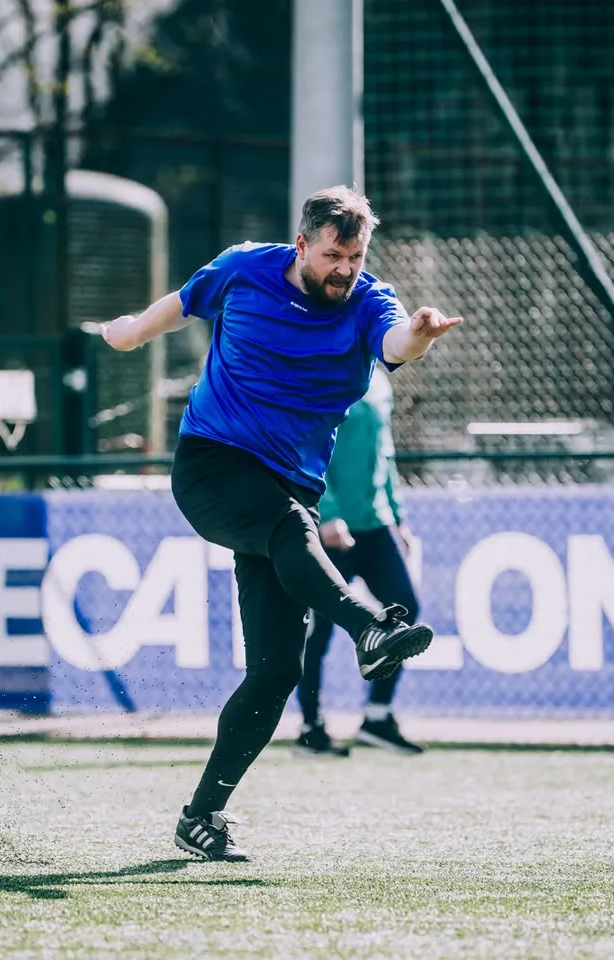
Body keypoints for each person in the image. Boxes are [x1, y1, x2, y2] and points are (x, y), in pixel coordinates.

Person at [102, 185, 461, 860]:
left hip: (288, 489)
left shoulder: (369, 302)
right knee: (292, 528)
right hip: (213, 466)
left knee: (277, 671)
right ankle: (369, 627)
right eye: (332, 255)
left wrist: (419, 332)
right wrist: (129, 331)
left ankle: (200, 816)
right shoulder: (246, 268)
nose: (345, 269)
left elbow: (396, 342)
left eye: (355, 257)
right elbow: (183, 303)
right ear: (301, 245)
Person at [295, 367, 424, 757]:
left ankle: (377, 718)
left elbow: (384, 452)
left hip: (375, 524)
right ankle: (311, 729)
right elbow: (308, 449)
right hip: (334, 531)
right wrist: (328, 513)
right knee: (317, 631)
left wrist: (398, 517)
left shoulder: (379, 381)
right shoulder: (323, 374)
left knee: (405, 610)